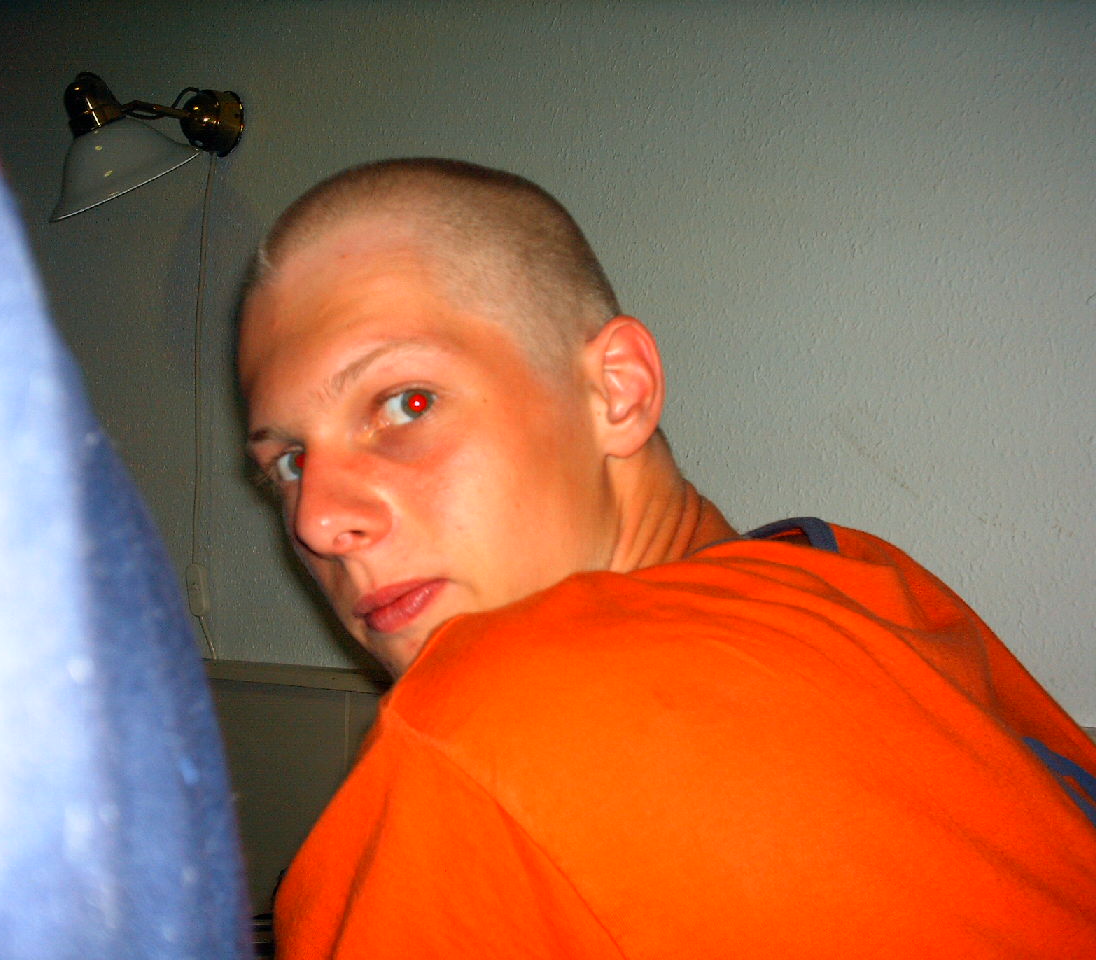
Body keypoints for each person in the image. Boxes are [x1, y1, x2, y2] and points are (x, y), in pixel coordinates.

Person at [237, 157, 1096, 958]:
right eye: (290, 462)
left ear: (618, 390)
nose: (317, 520)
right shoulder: (861, 580)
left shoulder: (487, 719)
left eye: (407, 403)